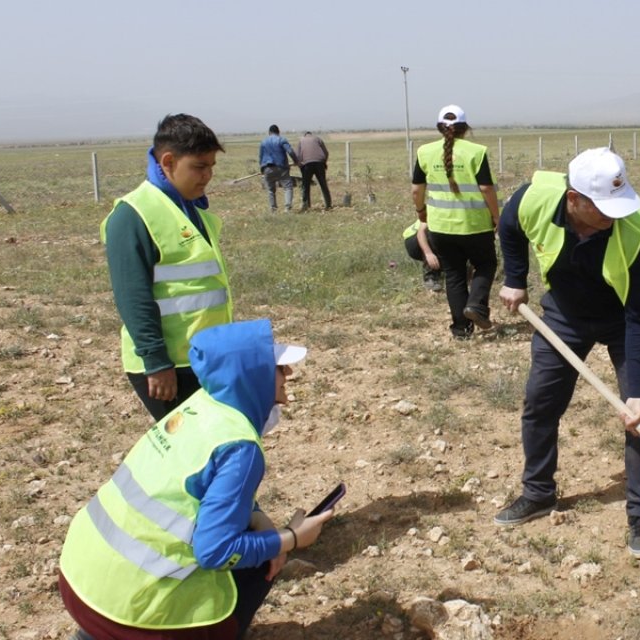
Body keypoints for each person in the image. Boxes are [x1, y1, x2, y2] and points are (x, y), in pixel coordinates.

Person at [58, 319, 336, 639]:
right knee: (260, 561)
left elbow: (197, 485)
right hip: (129, 617)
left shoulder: (199, 406)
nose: (288, 374)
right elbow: (215, 551)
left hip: (79, 582)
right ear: (250, 375)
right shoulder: (240, 447)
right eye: (277, 366)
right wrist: (292, 537)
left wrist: (257, 516)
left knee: (254, 536)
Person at [492, 147, 640, 560]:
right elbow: (509, 226)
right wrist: (514, 278)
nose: (613, 216)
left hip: (624, 320)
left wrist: (637, 390)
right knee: (540, 402)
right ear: (573, 200)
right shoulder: (534, 200)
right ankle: (539, 492)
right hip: (564, 314)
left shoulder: (634, 230)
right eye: (602, 208)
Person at [101, 114, 233, 422]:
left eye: (212, 166)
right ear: (168, 162)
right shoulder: (132, 215)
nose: (207, 175)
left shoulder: (189, 207)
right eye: (199, 167)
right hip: (170, 365)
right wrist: (157, 363)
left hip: (203, 357)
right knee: (187, 455)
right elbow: (133, 296)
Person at [410, 104, 501, 339]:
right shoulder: (476, 151)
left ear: (440, 127)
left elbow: (416, 189)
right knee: (486, 264)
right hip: (475, 225)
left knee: (454, 275)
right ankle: (476, 306)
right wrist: (496, 216)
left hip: (440, 227)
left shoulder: (425, 152)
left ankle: (461, 330)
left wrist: (421, 211)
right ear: (464, 127)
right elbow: (486, 188)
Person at [259, 125, 299, 213]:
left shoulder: (263, 142)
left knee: (270, 190)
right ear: (278, 132)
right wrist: (296, 161)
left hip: (267, 168)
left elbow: (261, 156)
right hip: (281, 168)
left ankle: (273, 209)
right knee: (288, 187)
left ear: (269, 132)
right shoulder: (281, 140)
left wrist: (262, 169)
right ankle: (287, 208)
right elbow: (290, 151)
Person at [399, 220, 444, 292]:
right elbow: (421, 232)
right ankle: (430, 278)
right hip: (415, 238)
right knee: (433, 233)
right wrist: (428, 254)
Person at [296, 131, 332, 211]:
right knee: (323, 184)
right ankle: (328, 204)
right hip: (319, 163)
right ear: (311, 135)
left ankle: (306, 205)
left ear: (305, 135)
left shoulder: (301, 140)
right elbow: (326, 152)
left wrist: (300, 165)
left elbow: (298, 155)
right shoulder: (318, 139)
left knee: (306, 185)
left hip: (307, 164)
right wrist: (324, 162)